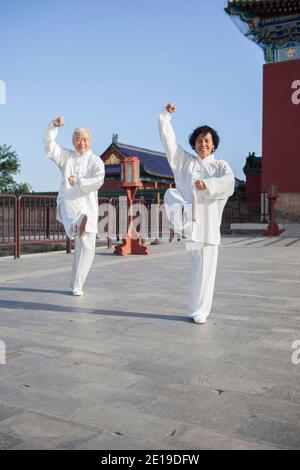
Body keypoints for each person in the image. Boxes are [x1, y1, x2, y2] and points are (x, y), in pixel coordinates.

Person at [158, 103, 235, 324]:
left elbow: (229, 183)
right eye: (199, 141)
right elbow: (169, 143)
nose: (203, 144)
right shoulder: (186, 163)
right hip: (190, 224)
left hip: (209, 230)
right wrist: (165, 117)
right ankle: (184, 222)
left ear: (213, 146)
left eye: (206, 141)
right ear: (194, 144)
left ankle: (198, 310)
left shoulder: (220, 166)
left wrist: (208, 185)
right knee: (170, 194)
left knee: (203, 270)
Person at [44, 116, 105, 296]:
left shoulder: (96, 161)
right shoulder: (66, 157)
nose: (81, 142)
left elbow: (99, 180)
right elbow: (49, 148)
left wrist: (78, 181)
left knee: (87, 248)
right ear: (73, 141)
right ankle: (74, 226)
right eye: (78, 139)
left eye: (85, 139)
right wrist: (52, 127)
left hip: (88, 207)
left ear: (90, 141)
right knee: (69, 209)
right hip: (69, 199)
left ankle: (76, 285)